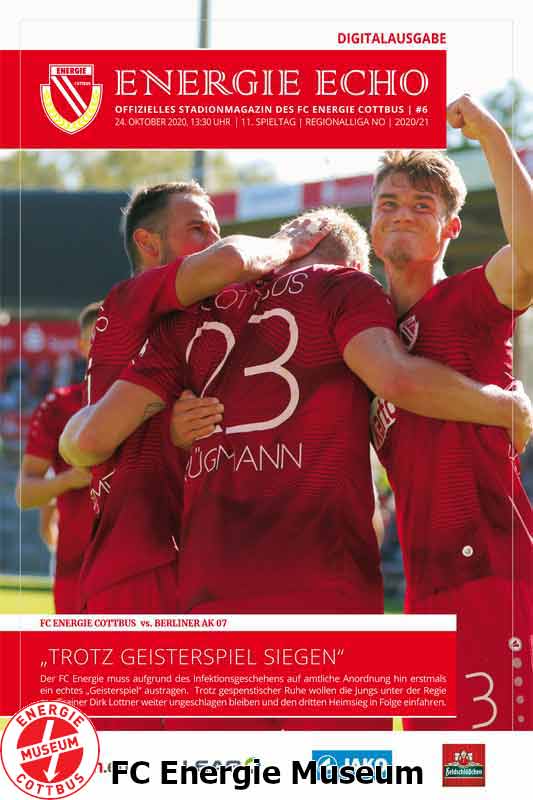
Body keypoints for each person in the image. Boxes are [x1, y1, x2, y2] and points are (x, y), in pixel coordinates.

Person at [60, 207, 529, 732]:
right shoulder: (348, 289)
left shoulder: (189, 320)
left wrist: (119, 430)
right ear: (354, 264)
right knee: (339, 771)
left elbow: (90, 441)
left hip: (213, 597)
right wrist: (502, 407)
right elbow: (396, 378)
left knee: (209, 770)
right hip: (329, 591)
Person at [64, 181, 332, 615]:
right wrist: (286, 244)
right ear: (148, 244)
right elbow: (231, 259)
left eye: (215, 230)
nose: (213, 240)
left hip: (185, 560)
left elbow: (88, 441)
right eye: (197, 229)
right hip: (145, 566)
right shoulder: (137, 297)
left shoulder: (188, 320)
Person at [369, 94, 533, 730]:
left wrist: (489, 132)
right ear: (372, 226)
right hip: (425, 590)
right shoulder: (366, 341)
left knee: (497, 768)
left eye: (422, 205)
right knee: (445, 770)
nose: (402, 214)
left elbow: (530, 256)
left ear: (450, 229)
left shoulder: (467, 301)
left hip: (492, 570)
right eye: (389, 203)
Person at [16, 303, 100, 613]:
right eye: (96, 338)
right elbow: (24, 494)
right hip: (75, 570)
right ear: (82, 345)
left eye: (115, 336)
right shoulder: (59, 406)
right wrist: (69, 479)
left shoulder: (153, 401)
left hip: (138, 567)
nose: (106, 346)